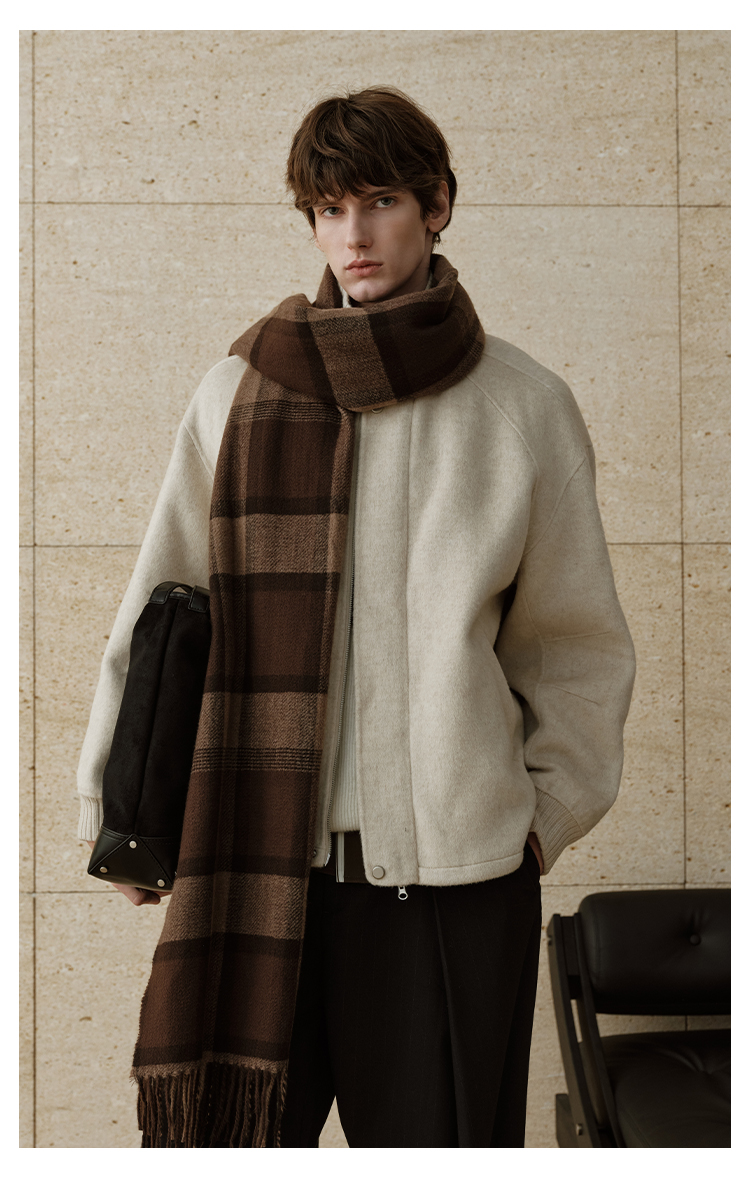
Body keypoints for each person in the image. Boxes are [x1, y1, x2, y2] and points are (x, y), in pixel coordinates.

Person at [78, 86, 636, 1148]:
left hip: (451, 888)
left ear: (437, 206)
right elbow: (163, 611)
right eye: (329, 209)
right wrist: (125, 813)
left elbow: (577, 648)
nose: (354, 235)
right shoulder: (237, 391)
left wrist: (536, 822)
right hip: (257, 864)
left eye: (380, 201)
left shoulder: (523, 406)